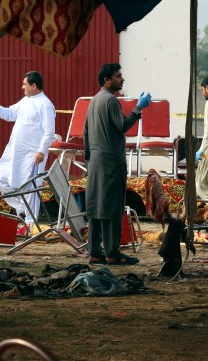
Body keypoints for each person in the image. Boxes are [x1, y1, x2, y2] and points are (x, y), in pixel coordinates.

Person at [83, 63, 152, 265]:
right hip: (110, 161)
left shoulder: (94, 101)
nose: (122, 79)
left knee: (96, 206)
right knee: (111, 206)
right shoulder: (111, 101)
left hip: (95, 161)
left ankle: (94, 251)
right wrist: (138, 108)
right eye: (118, 76)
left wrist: (90, 159)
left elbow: (86, 133)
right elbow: (122, 126)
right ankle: (113, 253)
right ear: (107, 80)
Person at [0, 71, 56, 228]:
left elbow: (49, 132)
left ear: (33, 85)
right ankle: (23, 209)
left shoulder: (45, 104)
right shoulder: (25, 101)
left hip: (33, 153)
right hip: (15, 151)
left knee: (30, 187)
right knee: (1, 179)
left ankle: (30, 223)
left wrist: (41, 151)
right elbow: (10, 114)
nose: (22, 87)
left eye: (24, 84)